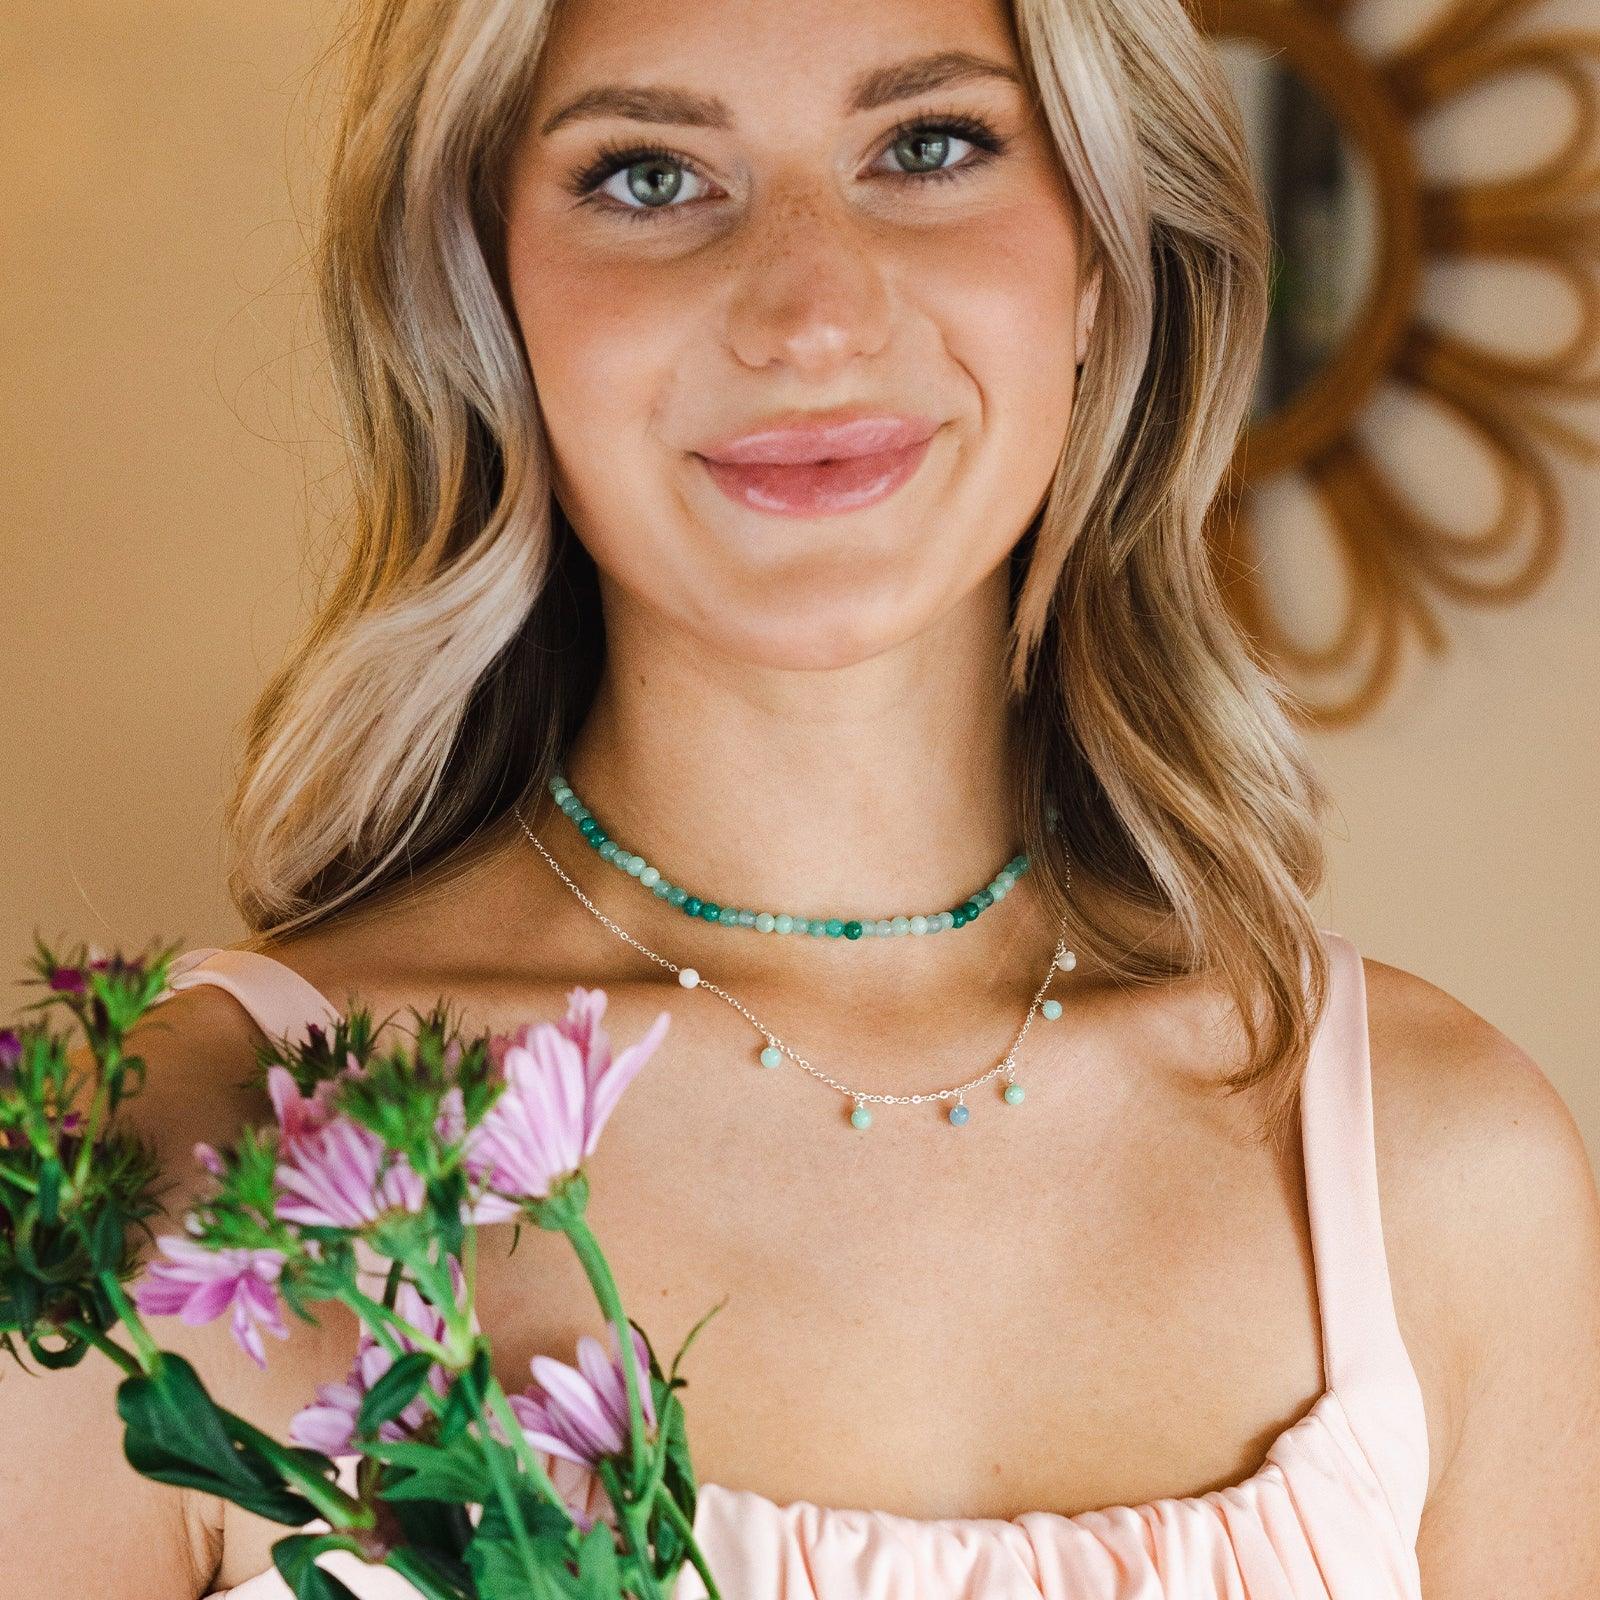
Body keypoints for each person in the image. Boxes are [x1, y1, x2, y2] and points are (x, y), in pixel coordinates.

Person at [7, 0, 1598, 1593]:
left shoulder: (1444, 1178)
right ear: (481, 290)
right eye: (648, 175)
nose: (811, 315)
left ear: (1103, 261)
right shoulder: (152, 1186)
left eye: (931, 146)